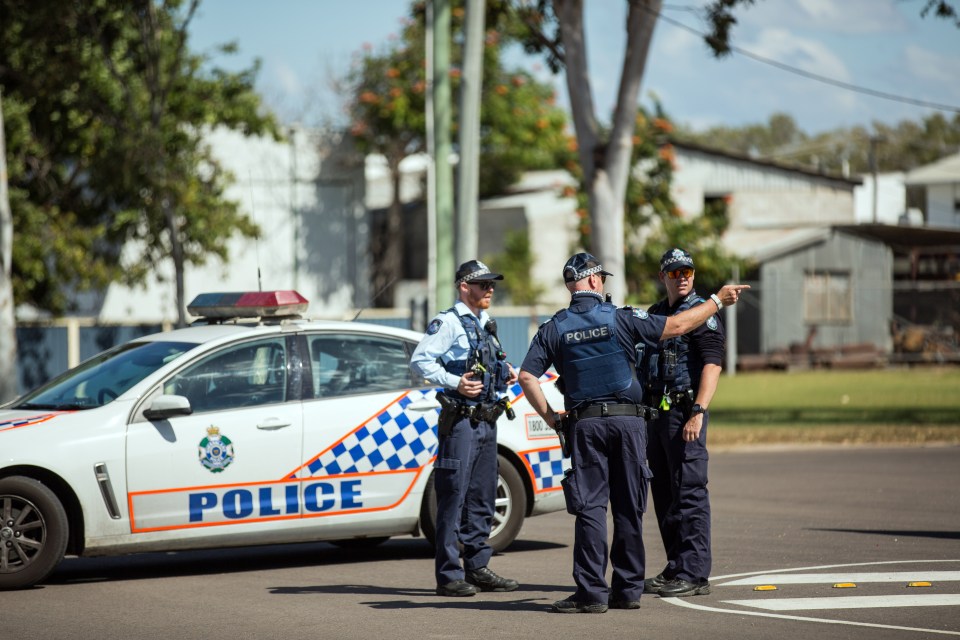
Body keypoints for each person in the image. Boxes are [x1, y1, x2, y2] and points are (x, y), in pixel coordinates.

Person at [517, 252, 747, 613]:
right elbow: (675, 327)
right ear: (594, 281)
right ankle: (627, 591)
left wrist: (553, 419)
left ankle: (592, 592)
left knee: (591, 507)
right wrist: (718, 300)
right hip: (631, 423)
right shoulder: (623, 317)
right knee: (629, 506)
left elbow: (526, 376)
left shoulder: (554, 327)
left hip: (585, 424)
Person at [410, 259, 519, 597]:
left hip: (487, 422)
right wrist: (455, 381)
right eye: (483, 283)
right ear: (464, 287)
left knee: (482, 496)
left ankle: (477, 567)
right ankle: (448, 575)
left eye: (492, 284)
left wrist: (506, 371)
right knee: (453, 496)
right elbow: (420, 360)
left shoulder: (485, 322)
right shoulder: (449, 322)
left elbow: (489, 363)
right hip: (460, 423)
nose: (490, 289)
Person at [641, 248, 723, 598]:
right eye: (675, 273)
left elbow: (712, 364)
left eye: (687, 270)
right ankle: (676, 566)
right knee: (665, 494)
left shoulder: (703, 312)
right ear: (663, 277)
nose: (683, 276)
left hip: (686, 411)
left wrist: (699, 411)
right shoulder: (656, 313)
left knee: (689, 492)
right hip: (656, 416)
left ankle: (695, 572)